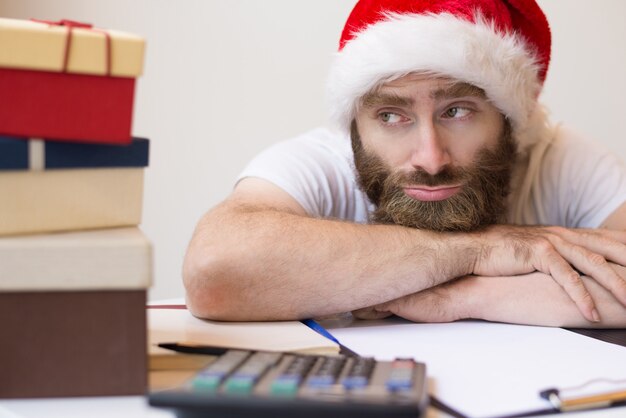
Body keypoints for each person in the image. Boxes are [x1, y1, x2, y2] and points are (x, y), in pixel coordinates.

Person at [183, 0, 626, 327]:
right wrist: (481, 249)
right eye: (391, 116)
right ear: (354, 127)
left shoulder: (562, 159)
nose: (430, 159)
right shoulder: (321, 161)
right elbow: (214, 271)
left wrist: (464, 295)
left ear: (509, 121)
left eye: (457, 111)